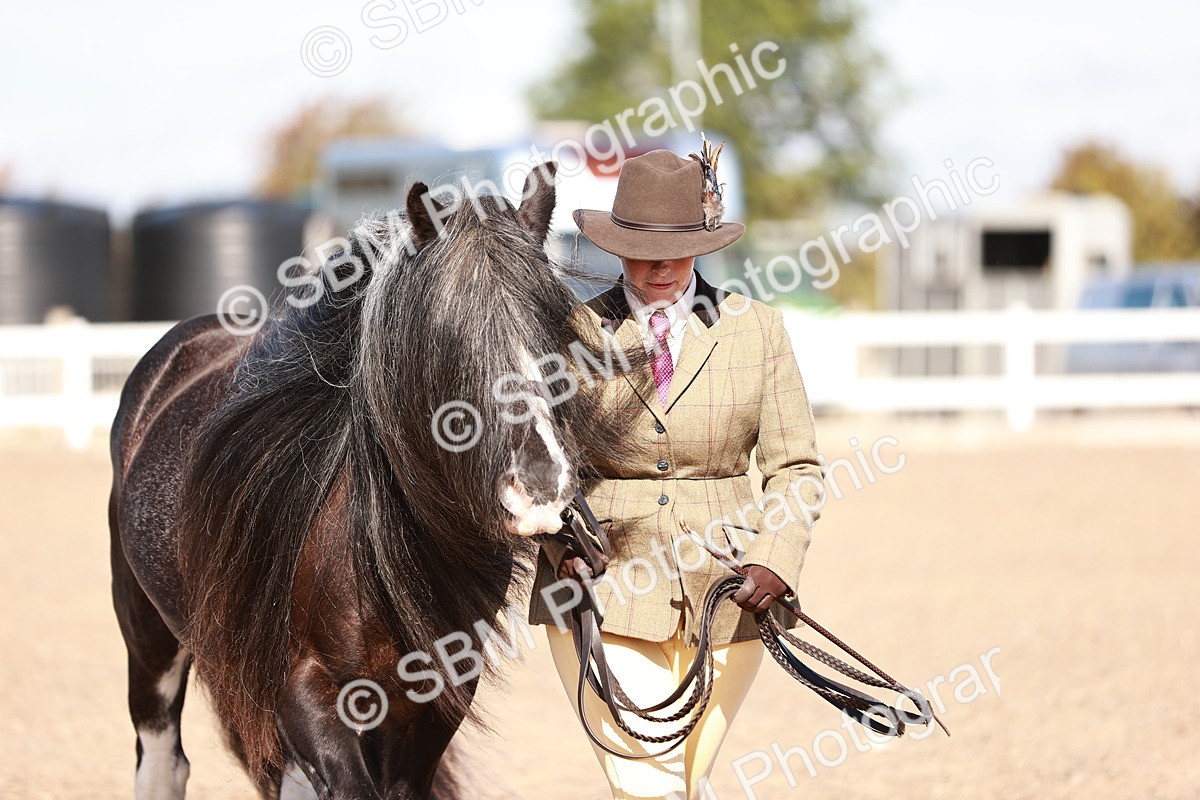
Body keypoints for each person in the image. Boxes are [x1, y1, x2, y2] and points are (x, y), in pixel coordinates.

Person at [527, 146, 825, 800]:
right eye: (640, 248)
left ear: (704, 242)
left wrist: (775, 559)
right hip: (602, 588)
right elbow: (533, 461)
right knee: (646, 783)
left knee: (690, 782)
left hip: (731, 592)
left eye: (679, 247)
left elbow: (796, 466)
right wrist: (559, 544)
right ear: (614, 244)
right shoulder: (568, 336)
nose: (660, 266)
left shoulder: (759, 332)